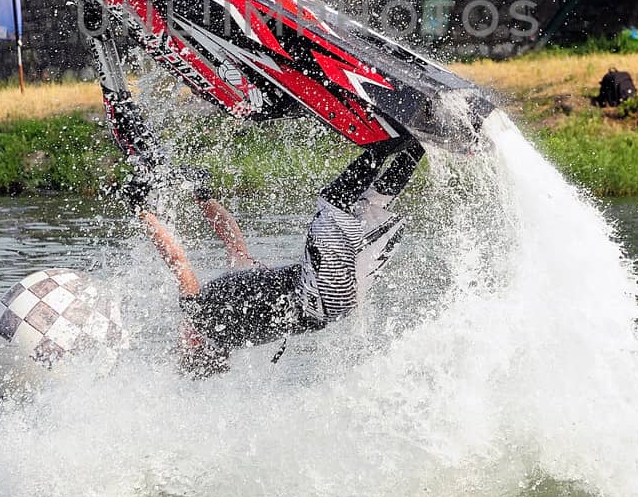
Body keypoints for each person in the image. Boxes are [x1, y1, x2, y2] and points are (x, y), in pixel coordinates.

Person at [139, 132, 424, 375]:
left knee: (369, 206)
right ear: (194, 345)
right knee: (333, 202)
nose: (178, 337)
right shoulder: (203, 318)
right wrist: (141, 210)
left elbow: (234, 244)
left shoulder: (229, 314)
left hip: (336, 302)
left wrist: (203, 197)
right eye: (180, 345)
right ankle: (387, 140)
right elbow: (179, 262)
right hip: (318, 293)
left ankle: (419, 143)